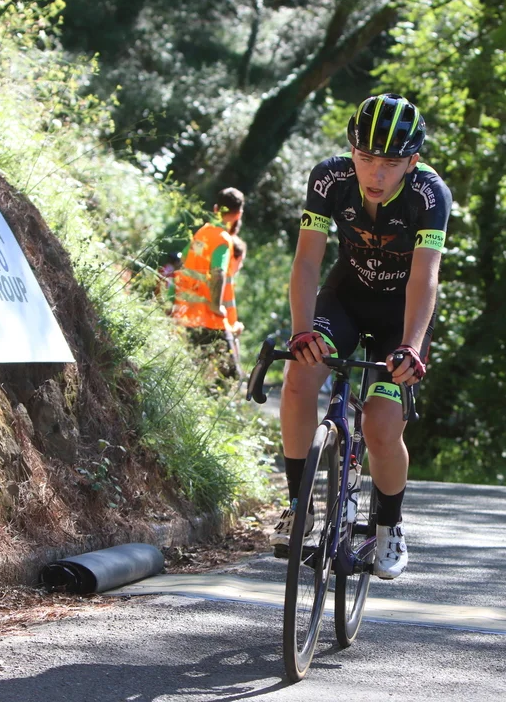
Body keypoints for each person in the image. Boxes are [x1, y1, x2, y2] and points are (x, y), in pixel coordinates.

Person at [271, 93, 452, 580]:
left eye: (391, 163)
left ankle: (389, 525)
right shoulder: (329, 178)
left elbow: (425, 277)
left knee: (380, 424)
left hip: (401, 315)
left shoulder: (430, 194)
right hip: (346, 299)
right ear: (352, 151)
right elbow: (307, 261)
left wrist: (411, 345)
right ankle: (298, 505)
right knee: (299, 378)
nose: (375, 173)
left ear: (412, 161)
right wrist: (301, 331)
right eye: (366, 158)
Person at [171, 187, 246, 365]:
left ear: (215, 208)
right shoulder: (222, 239)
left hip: (187, 315)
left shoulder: (202, 233)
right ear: (238, 214)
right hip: (210, 320)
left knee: (193, 369)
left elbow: (183, 260)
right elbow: (218, 272)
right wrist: (216, 306)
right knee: (230, 375)